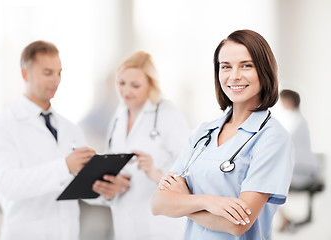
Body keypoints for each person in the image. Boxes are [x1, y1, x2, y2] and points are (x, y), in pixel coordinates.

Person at [151, 30, 294, 239]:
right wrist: (208, 202)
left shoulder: (272, 137)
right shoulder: (204, 133)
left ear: (264, 70)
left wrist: (184, 201)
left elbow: (237, 225)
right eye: (226, 66)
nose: (234, 76)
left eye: (246, 65)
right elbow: (158, 203)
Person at [0, 40, 96, 240]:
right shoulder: (3, 127)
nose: (56, 80)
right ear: (25, 74)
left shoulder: (70, 128)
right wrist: (64, 167)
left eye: (59, 72)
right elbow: (8, 185)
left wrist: (105, 187)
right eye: (47, 72)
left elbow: (78, 186)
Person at [91, 51, 190, 240]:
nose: (126, 91)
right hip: (125, 223)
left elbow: (188, 172)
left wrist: (155, 173)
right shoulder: (119, 117)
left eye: (135, 85)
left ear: (150, 85)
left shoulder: (168, 114)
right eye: (121, 83)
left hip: (161, 226)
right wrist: (114, 184)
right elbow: (115, 164)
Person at [277, 89, 319, 231]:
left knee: (269, 184)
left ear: (289, 101)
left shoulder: (296, 121)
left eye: (283, 100)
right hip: (300, 167)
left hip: (301, 171)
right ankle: (284, 217)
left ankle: (284, 218)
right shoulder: (293, 119)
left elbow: (285, 142)